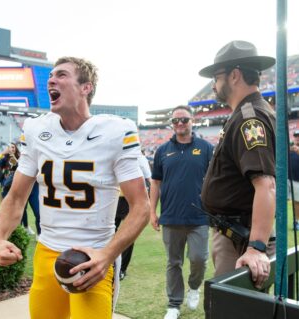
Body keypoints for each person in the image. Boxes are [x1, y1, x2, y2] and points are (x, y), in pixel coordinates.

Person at [0, 57, 150, 319]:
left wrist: (107, 255)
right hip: (46, 251)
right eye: (51, 75)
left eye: (62, 75)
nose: (51, 80)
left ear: (85, 87)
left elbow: (141, 207)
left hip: (93, 255)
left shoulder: (116, 131)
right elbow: (16, 196)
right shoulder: (36, 129)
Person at [199, 40, 276, 289]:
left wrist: (255, 247)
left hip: (241, 237)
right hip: (235, 232)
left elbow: (266, 185)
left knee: (233, 308)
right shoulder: (247, 113)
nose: (213, 84)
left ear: (234, 75)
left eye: (216, 77)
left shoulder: (249, 119)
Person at [149, 105, 213, 319]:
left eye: (183, 120)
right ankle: (174, 304)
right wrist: (152, 212)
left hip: (199, 217)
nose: (179, 124)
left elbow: (214, 180)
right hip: (171, 216)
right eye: (175, 121)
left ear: (192, 120)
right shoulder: (162, 150)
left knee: (198, 259)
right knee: (173, 262)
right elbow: (156, 183)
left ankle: (194, 287)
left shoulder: (205, 148)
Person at [115, 151, 152, 281]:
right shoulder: (113, 153)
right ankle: (111, 265)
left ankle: (122, 269)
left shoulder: (139, 157)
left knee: (128, 235)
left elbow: (149, 178)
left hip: (129, 200)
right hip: (113, 199)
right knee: (108, 234)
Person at [289, 130, 299, 231]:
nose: (297, 138)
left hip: (297, 180)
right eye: (296, 136)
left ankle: (296, 222)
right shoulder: (290, 148)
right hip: (286, 179)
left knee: (296, 202)